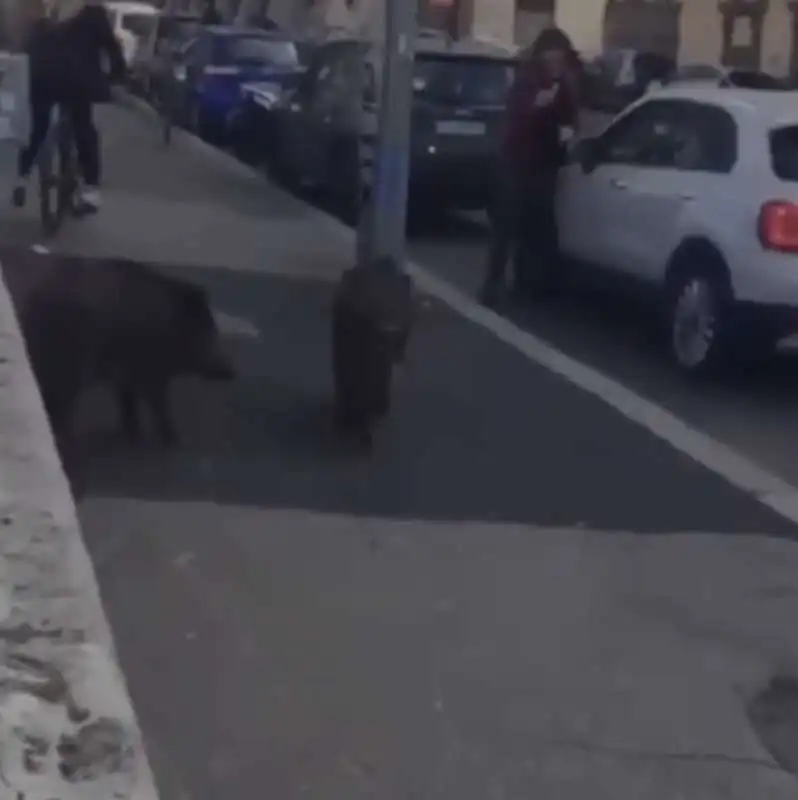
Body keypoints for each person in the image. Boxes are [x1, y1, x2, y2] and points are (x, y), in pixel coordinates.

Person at [478, 27, 580, 307]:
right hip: (517, 163)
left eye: (561, 59)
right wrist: (537, 106)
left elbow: (570, 117)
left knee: (539, 226)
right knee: (506, 226)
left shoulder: (565, 84)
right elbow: (516, 122)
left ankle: (530, 285)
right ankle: (492, 286)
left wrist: (568, 130)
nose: (557, 64)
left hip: (544, 164)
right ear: (543, 56)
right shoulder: (527, 81)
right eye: (553, 58)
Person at [13, 0, 126, 213]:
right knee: (83, 126)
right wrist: (117, 76)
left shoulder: (43, 10)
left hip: (42, 79)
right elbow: (111, 47)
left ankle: (22, 177)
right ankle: (91, 190)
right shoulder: (93, 13)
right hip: (78, 83)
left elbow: (26, 44)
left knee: (37, 125)